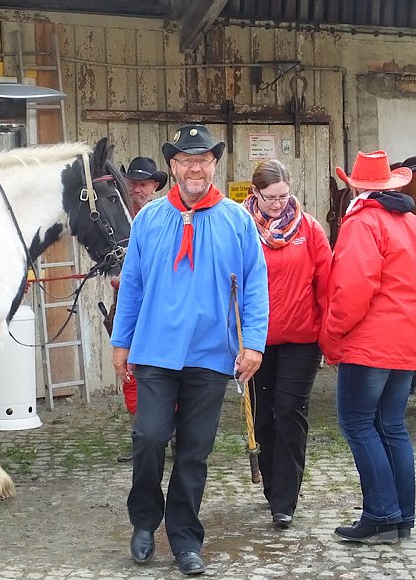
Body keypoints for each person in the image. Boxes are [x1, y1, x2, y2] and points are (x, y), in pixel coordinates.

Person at [111, 124, 268, 576]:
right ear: (173, 167)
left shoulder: (237, 220)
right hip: (156, 353)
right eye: (184, 159)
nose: (194, 167)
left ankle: (184, 538)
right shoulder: (149, 219)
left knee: (195, 451)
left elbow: (255, 286)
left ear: (214, 165)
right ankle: (144, 521)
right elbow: (134, 286)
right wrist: (122, 341)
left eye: (202, 159)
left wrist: (253, 343)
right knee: (150, 437)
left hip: (211, 355)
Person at [321, 150, 416, 544]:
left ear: (354, 184)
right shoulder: (413, 223)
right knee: (391, 426)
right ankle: (401, 516)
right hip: (407, 343)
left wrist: (332, 337)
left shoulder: (362, 222)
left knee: (357, 424)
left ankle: (381, 515)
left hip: (369, 343)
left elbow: (352, 290)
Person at [242, 159, 331, 530]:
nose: (278, 204)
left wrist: (329, 335)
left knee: (291, 410)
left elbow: (326, 283)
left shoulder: (308, 230)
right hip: (256, 343)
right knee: (263, 416)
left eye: (284, 196)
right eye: (270, 198)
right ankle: (272, 486)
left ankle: (285, 499)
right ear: (256, 194)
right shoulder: (241, 229)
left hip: (301, 338)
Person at [113, 156, 168, 462]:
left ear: (154, 186)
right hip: (127, 303)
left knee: (161, 368)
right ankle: (141, 436)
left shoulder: (162, 216)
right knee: (130, 370)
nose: (138, 188)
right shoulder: (116, 217)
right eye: (133, 182)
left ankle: (171, 435)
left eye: (144, 183)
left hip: (158, 303)